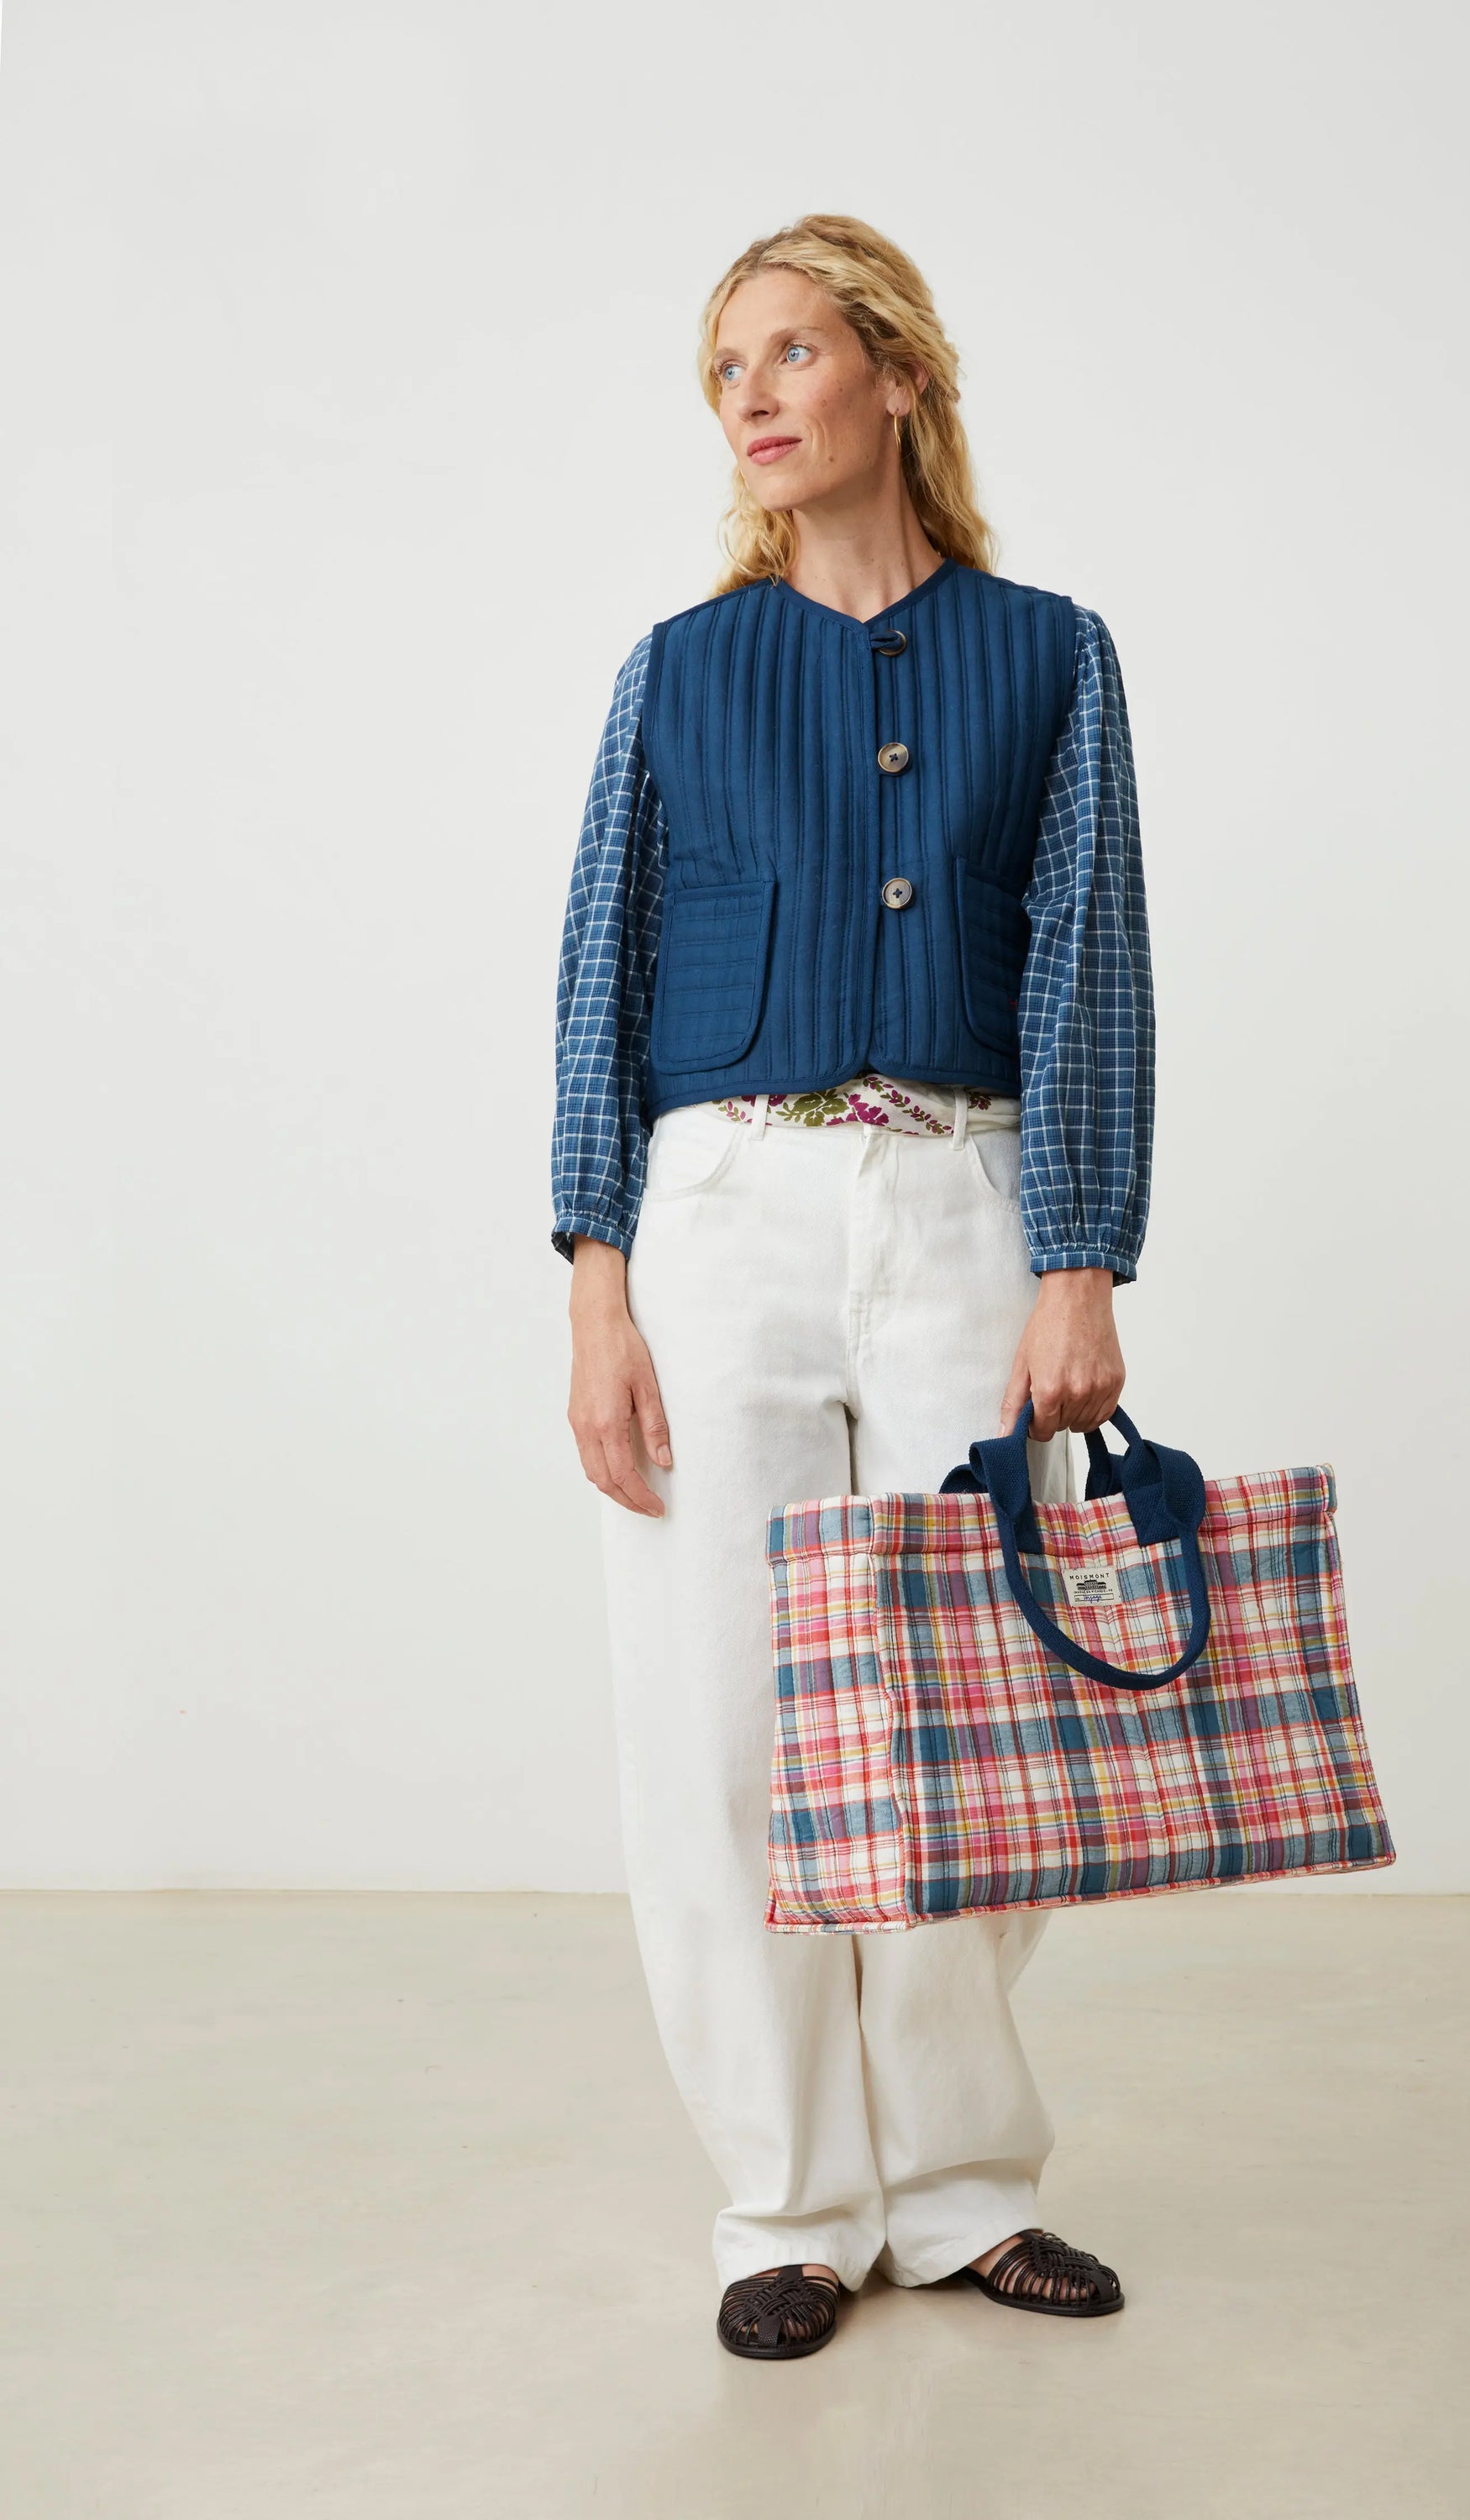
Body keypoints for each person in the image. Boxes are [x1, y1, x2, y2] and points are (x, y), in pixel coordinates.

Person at [550, 213, 1153, 2361]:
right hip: (720, 1215)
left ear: (897, 374)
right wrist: (597, 1286)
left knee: (967, 1713)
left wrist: (1080, 1260)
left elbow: (1089, 971)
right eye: (726, 367)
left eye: (792, 351)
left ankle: (965, 2189)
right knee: (722, 1723)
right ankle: (789, 2207)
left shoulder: (1049, 654)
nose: (752, 395)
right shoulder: (678, 668)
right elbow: (603, 976)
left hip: (966, 1208)